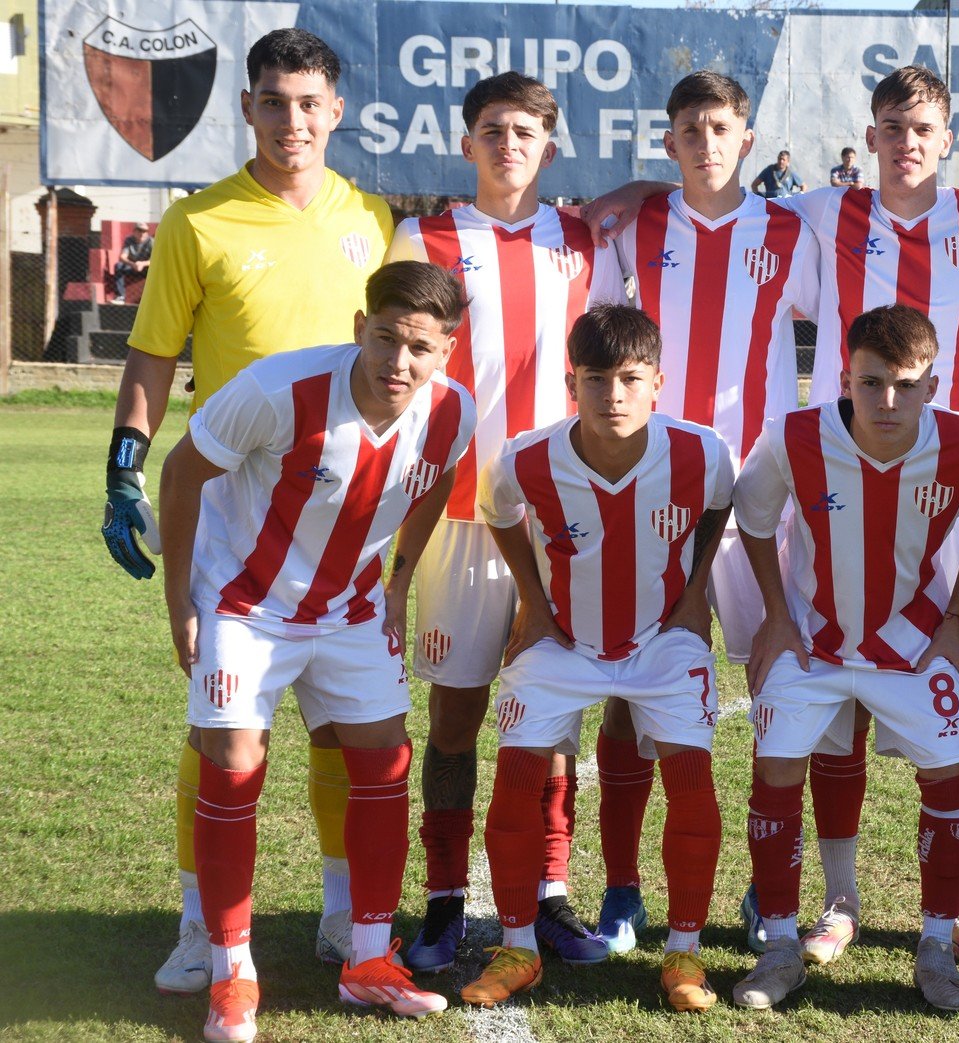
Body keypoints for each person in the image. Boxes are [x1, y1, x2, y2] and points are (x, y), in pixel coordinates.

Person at [583, 62, 959, 968]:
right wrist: (641, 185)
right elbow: (711, 197)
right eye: (890, 127)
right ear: (866, 138)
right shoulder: (817, 217)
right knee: (818, 689)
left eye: (923, 129)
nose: (906, 143)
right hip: (822, 483)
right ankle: (829, 896)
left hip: (945, 490)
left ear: (947, 139)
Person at [100, 28, 395, 996]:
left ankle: (343, 907)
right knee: (218, 727)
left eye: (309, 103)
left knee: (335, 725)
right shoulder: (200, 221)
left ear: (337, 110)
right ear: (248, 109)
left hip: (344, 512)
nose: (292, 121)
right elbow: (151, 355)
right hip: (233, 509)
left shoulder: (372, 219)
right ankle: (198, 922)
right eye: (273, 101)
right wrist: (123, 467)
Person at [157, 260, 476, 1043]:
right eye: (385, 338)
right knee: (233, 761)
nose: (397, 362)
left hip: (352, 606)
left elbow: (437, 481)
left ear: (447, 349)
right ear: (359, 327)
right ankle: (232, 974)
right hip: (244, 604)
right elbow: (181, 472)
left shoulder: (452, 412)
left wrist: (399, 578)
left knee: (385, 760)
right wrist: (179, 608)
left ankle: (368, 959)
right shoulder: (278, 390)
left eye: (419, 348)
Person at [385, 71, 626, 974]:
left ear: (550, 147)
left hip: (559, 519)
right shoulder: (429, 235)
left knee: (553, 725)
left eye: (525, 130)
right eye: (492, 129)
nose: (508, 143)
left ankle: (551, 898)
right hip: (457, 520)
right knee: (453, 719)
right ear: (467, 142)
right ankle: (444, 902)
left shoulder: (582, 240)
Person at [589, 69, 820, 956]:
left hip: (764, 494)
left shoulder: (792, 231)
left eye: (720, 126)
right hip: (656, 489)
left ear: (747, 139)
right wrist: (639, 191)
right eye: (689, 127)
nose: (706, 140)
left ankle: (769, 893)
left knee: (780, 686)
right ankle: (621, 889)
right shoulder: (633, 226)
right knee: (626, 690)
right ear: (669, 141)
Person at [731, 303, 959, 1013]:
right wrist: (775, 615)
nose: (888, 400)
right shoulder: (791, 436)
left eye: (906, 384)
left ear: (933, 384)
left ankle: (937, 943)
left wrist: (953, 614)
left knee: (950, 770)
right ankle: (782, 944)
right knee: (775, 766)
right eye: (871, 381)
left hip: (915, 637)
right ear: (844, 378)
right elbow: (754, 521)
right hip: (813, 637)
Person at [460, 305, 733, 1013]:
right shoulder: (525, 456)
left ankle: (684, 952)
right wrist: (535, 603)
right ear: (569, 383)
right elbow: (498, 512)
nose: (612, 394)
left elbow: (718, 508)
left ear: (657, 383)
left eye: (629, 378)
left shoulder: (703, 451)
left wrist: (694, 593)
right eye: (595, 379)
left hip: (662, 641)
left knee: (693, 786)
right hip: (562, 642)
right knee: (517, 780)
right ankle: (518, 945)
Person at [110, 222, 153, 302]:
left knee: (158, 269)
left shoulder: (151, 241)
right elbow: (122, 257)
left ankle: (153, 297)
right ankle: (120, 297)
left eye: (145, 231)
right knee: (118, 266)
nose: (142, 233)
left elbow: (155, 260)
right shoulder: (129, 240)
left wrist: (142, 264)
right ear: (134, 231)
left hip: (147, 268)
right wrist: (133, 264)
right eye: (140, 230)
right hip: (132, 266)